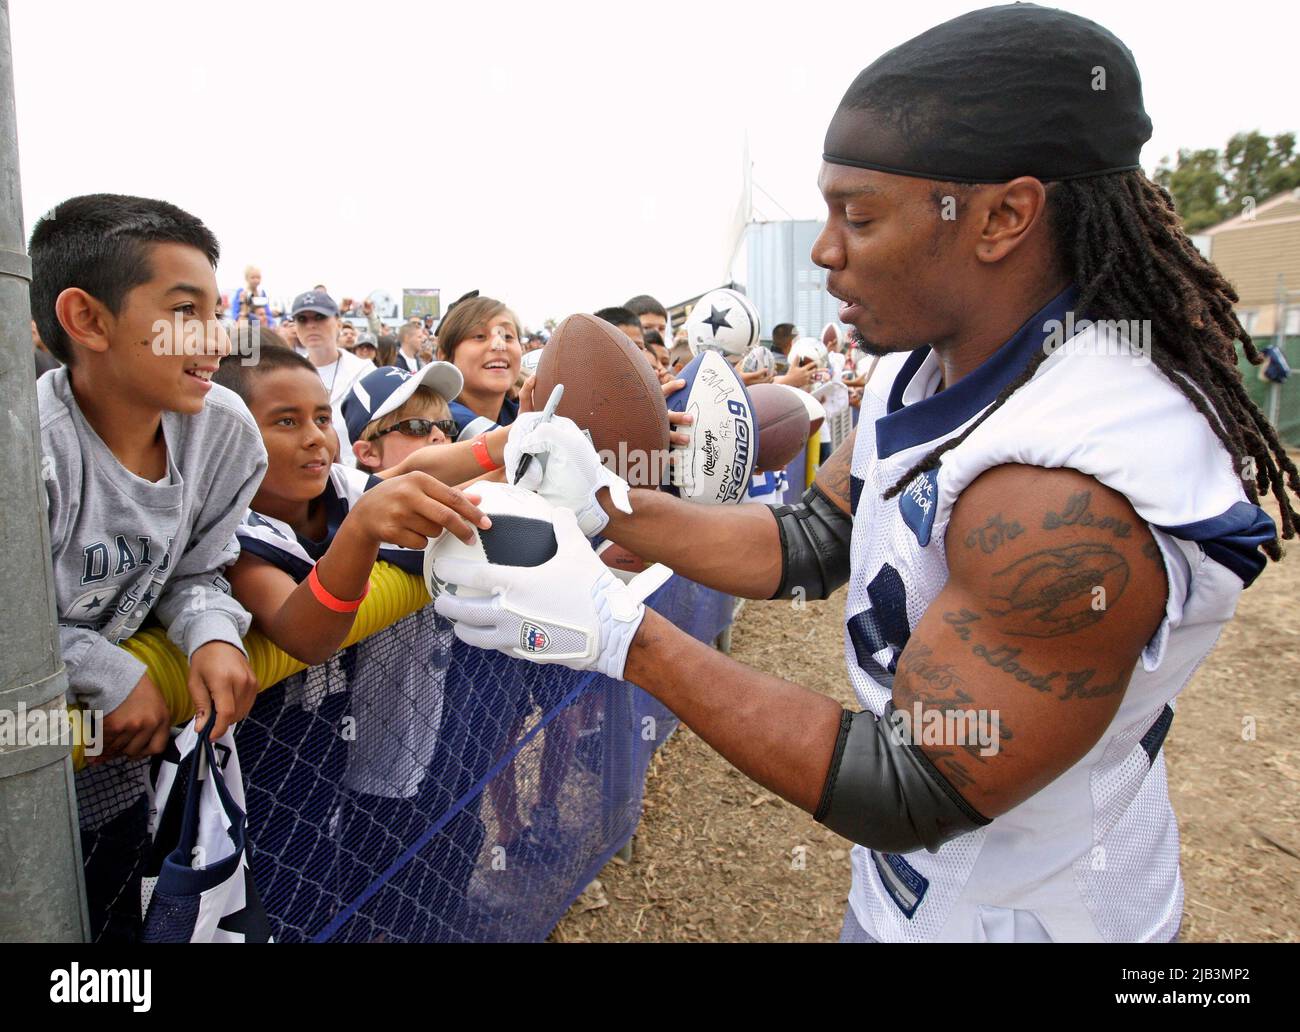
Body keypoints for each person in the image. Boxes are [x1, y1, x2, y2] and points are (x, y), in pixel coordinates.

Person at [431, 5, 1299, 943]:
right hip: (917, 893)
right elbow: (814, 537)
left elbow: (917, 782)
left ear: (1003, 216)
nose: (824, 248)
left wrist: (618, 635)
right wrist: (610, 503)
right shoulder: (928, 360)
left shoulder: (1072, 487)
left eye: (860, 214)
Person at [29, 193, 267, 758]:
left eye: (215, 313)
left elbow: (196, 571)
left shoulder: (224, 433)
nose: (219, 340)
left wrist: (211, 629)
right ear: (87, 319)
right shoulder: (27, 456)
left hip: (137, 770)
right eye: (186, 312)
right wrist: (99, 666)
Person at [292, 289, 375, 467]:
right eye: (302, 319)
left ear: (338, 322)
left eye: (319, 317)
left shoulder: (364, 371)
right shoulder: (289, 374)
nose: (311, 325)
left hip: (357, 475)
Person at [437, 294, 523, 439]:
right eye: (479, 336)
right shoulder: (428, 425)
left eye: (508, 336)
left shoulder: (528, 415)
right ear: (445, 356)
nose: (499, 345)